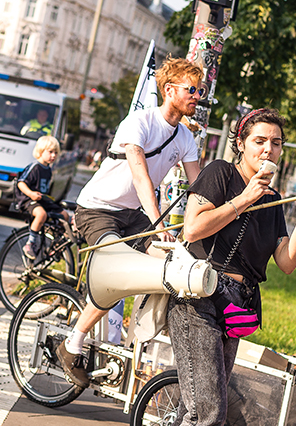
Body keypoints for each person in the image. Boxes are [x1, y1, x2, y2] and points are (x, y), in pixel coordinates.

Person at [127, 108, 296, 426]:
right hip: (198, 296)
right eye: (259, 141)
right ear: (242, 144)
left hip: (236, 306)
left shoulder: (273, 201)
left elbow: (287, 264)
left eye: (275, 143)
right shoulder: (221, 174)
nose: (268, 149)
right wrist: (244, 199)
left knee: (208, 415)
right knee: (207, 411)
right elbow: (193, 228)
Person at [55, 57, 203, 387]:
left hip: (133, 215)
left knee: (167, 268)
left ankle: (135, 351)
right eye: (191, 89)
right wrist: (157, 222)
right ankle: (72, 344)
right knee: (116, 273)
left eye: (200, 90)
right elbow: (139, 175)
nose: (197, 96)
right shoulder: (139, 122)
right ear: (169, 90)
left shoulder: (185, 139)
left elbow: (200, 188)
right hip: (98, 209)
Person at [14, 135, 61, 259]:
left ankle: (58, 245)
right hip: (29, 200)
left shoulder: (48, 170)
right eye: (50, 152)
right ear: (40, 152)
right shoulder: (35, 167)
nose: (53, 155)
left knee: (64, 215)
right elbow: (21, 182)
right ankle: (30, 243)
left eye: (56, 153)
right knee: (41, 214)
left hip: (42, 200)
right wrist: (31, 194)